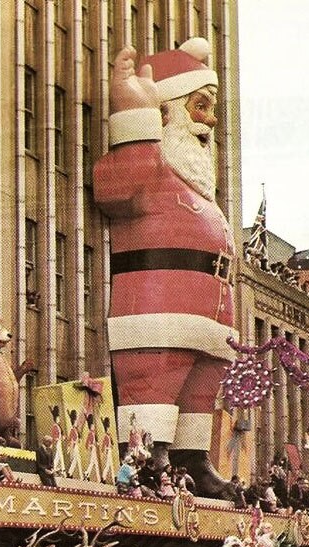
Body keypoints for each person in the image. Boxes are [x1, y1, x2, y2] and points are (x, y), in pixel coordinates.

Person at [93, 38, 235, 498]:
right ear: (168, 109)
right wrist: (133, 116)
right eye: (199, 105)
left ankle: (192, 458)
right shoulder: (151, 165)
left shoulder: (193, 182)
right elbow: (116, 187)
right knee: (153, 380)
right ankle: (148, 455)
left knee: (199, 392)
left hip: (209, 311)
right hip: (158, 303)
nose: (209, 120)